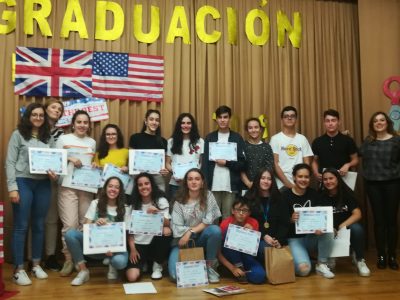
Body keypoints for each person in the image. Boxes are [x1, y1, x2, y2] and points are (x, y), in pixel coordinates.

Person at [6, 103, 55, 285]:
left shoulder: (48, 137)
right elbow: (9, 162)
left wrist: (54, 174)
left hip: (43, 184)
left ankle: (35, 264)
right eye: (34, 114)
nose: (38, 118)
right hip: (23, 182)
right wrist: (12, 187)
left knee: (39, 225)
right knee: (21, 225)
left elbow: (54, 160)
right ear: (28, 116)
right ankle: (19, 269)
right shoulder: (17, 134)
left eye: (41, 115)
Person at [65, 177, 129, 286]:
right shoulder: (96, 203)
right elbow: (85, 227)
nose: (113, 189)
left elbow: (126, 234)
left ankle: (112, 263)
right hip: (97, 248)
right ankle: (83, 271)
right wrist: (95, 224)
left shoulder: (125, 208)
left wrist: (113, 249)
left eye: (117, 187)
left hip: (115, 249)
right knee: (70, 234)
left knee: (120, 262)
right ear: (105, 188)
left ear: (120, 191)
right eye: (110, 186)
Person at [56, 110, 96, 276]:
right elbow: (55, 159)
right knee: (70, 225)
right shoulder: (63, 139)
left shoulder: (92, 142)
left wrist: (94, 166)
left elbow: (91, 162)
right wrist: (69, 158)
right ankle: (68, 259)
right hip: (67, 187)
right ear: (73, 123)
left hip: (86, 188)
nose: (82, 125)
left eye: (85, 122)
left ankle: (80, 260)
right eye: (79, 122)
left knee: (83, 224)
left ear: (89, 125)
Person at [359, 112, 400, 270]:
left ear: (387, 122)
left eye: (382, 120)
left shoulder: (397, 140)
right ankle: (381, 255)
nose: (379, 123)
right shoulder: (368, 141)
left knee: (391, 221)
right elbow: (355, 153)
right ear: (372, 125)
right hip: (373, 185)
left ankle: (392, 255)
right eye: (375, 121)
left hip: (393, 184)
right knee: (379, 221)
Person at [168, 168, 222, 283]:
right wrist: (192, 231)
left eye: (197, 179)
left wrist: (190, 232)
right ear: (186, 183)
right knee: (174, 276)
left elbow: (208, 222)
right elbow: (176, 228)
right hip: (183, 242)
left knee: (215, 230)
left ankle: (209, 266)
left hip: (201, 240)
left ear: (202, 182)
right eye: (190, 179)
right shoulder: (178, 201)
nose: (193, 182)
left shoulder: (208, 196)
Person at [283, 164, 334, 279]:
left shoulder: (314, 194)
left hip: (311, 237)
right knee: (304, 271)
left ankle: (321, 264)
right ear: (294, 177)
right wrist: (290, 219)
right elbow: (279, 222)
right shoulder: (285, 196)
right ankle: (298, 259)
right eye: (300, 176)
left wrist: (320, 227)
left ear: (310, 179)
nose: (303, 179)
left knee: (329, 231)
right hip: (294, 239)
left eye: (306, 177)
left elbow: (322, 218)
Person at [320, 168, 370, 276]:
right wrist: (329, 228)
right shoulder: (320, 196)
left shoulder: (347, 194)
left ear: (337, 179)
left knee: (357, 229)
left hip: (346, 227)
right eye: (325, 179)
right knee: (326, 233)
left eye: (331, 178)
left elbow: (357, 214)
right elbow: (318, 217)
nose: (328, 182)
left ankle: (360, 260)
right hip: (329, 230)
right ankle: (329, 258)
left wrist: (342, 226)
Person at [126, 173, 172, 282]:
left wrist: (158, 213)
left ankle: (157, 265)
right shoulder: (132, 204)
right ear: (137, 188)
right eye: (140, 185)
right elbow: (129, 230)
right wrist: (132, 249)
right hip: (138, 243)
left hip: (154, 242)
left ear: (152, 185)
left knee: (166, 231)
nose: (144, 187)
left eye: (146, 183)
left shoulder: (160, 200)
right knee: (132, 277)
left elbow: (168, 224)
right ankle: (144, 264)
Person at [202, 105, 246, 218]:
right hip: (213, 185)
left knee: (228, 217)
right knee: (212, 217)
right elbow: (205, 164)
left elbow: (242, 164)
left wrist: (227, 163)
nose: (222, 120)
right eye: (220, 117)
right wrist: (205, 184)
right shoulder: (209, 138)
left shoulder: (237, 138)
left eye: (225, 117)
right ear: (216, 119)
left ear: (229, 118)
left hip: (230, 185)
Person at [244, 168, 290, 261]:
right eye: (263, 178)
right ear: (257, 180)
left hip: (276, 239)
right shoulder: (248, 198)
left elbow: (284, 223)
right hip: (256, 238)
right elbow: (247, 222)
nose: (266, 181)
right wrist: (263, 235)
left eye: (269, 179)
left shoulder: (280, 198)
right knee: (265, 249)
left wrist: (278, 240)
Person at [218, 198, 266, 284]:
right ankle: (237, 268)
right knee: (228, 231)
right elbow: (218, 252)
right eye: (238, 210)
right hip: (231, 258)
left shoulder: (253, 222)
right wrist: (232, 267)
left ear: (249, 213)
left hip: (247, 257)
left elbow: (253, 249)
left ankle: (239, 274)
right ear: (233, 211)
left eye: (244, 210)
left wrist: (253, 234)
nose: (241, 213)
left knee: (259, 276)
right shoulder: (225, 223)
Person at [270, 106, 313, 190]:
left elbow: (307, 163)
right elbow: (274, 164)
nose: (289, 118)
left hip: (300, 182)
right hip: (281, 184)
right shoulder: (275, 139)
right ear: (282, 120)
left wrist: (301, 180)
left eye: (292, 116)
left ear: (296, 119)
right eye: (286, 116)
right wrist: (289, 184)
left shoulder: (302, 139)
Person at [44, 99, 65, 271]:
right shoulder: (32, 129)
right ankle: (31, 257)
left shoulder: (61, 134)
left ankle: (50, 256)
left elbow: (62, 157)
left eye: (59, 109)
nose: (56, 110)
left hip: (52, 181)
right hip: (32, 179)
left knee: (51, 220)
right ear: (45, 109)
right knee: (33, 220)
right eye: (53, 107)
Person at [312, 109, 358, 181]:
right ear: (324, 123)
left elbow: (355, 160)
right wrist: (315, 173)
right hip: (325, 180)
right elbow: (314, 161)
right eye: (327, 121)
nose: (330, 123)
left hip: (344, 179)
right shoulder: (317, 141)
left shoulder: (348, 140)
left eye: (333, 120)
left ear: (339, 122)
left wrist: (348, 165)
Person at [166, 113, 204, 199]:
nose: (185, 125)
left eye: (188, 123)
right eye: (183, 123)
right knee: (175, 211)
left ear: (192, 125)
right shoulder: (171, 142)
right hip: (176, 185)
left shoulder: (200, 141)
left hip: (195, 185)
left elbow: (202, 163)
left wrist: (193, 177)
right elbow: (167, 163)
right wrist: (175, 173)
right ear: (179, 125)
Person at [129, 109, 169, 191]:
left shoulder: (163, 141)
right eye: (151, 119)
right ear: (146, 121)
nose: (154, 122)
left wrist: (165, 171)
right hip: (139, 181)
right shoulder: (135, 138)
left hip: (157, 182)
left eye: (157, 120)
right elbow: (130, 162)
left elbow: (163, 166)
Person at [241, 118, 274, 190]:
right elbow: (240, 169)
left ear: (260, 129)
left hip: (263, 187)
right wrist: (249, 184)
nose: (253, 130)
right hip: (245, 187)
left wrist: (260, 184)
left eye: (256, 127)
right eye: (250, 128)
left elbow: (269, 168)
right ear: (247, 130)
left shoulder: (266, 147)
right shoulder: (242, 146)